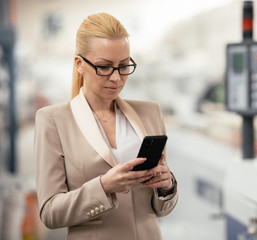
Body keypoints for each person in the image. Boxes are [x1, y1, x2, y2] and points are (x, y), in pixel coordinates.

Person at [34, 13, 178, 240]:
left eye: (123, 66)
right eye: (104, 67)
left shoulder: (150, 113)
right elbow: (50, 213)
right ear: (79, 64)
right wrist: (103, 187)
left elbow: (162, 208)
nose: (116, 78)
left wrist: (167, 185)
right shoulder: (53, 120)